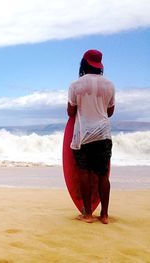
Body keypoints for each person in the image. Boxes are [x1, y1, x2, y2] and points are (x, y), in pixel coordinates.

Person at [67, 49, 115, 224]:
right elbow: (110, 112)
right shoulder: (109, 85)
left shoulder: (76, 85)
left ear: (84, 63)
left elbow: (70, 111)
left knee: (84, 173)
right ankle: (104, 215)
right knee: (103, 175)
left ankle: (87, 214)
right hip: (104, 134)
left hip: (84, 135)